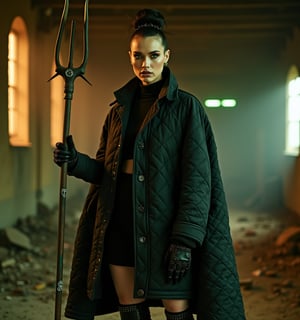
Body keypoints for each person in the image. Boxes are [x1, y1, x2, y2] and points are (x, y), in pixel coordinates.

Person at [53, 8, 245, 320]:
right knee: (130, 309)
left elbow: (198, 180)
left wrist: (184, 241)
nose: (146, 65)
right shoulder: (118, 111)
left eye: (154, 55)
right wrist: (75, 163)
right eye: (138, 57)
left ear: (167, 55)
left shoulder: (186, 109)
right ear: (129, 56)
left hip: (166, 227)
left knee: (176, 310)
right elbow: (106, 172)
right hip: (120, 224)